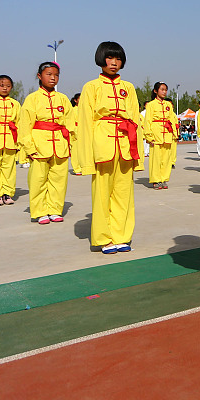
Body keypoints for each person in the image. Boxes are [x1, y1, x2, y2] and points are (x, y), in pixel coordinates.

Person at [78, 41, 144, 254]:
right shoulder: (91, 87)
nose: (114, 63)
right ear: (101, 59)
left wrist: (138, 156)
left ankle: (122, 236)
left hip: (125, 144)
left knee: (124, 194)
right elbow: (85, 124)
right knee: (101, 195)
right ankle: (104, 238)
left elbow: (136, 121)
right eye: (110, 58)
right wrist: (85, 161)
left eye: (118, 59)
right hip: (102, 144)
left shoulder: (129, 88)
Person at [19, 61, 72, 224]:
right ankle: (40, 211)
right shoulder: (32, 99)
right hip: (39, 144)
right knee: (38, 180)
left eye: (56, 75)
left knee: (59, 180)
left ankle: (55, 209)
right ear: (39, 76)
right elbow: (25, 125)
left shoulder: (63, 98)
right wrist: (29, 147)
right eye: (48, 74)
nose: (53, 78)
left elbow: (71, 123)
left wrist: (70, 143)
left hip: (60, 145)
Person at [143, 82, 179, 189]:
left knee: (166, 159)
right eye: (162, 89)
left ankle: (164, 178)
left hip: (167, 133)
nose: (164, 92)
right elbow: (147, 121)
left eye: (165, 90)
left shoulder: (168, 105)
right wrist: (149, 136)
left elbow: (172, 120)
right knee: (156, 159)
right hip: (156, 133)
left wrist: (174, 133)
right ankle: (156, 179)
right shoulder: (151, 105)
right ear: (156, 91)